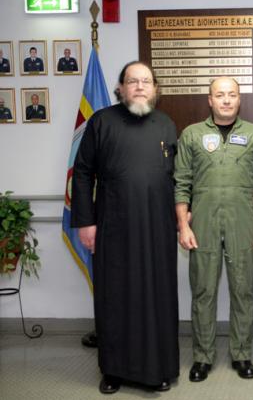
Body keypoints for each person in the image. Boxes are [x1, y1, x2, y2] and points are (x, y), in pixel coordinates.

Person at [71, 61, 180, 394]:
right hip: (113, 226)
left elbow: (177, 177)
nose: (140, 86)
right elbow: (83, 172)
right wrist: (85, 222)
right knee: (115, 297)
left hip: (158, 228)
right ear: (121, 88)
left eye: (146, 81)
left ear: (155, 89)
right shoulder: (101, 122)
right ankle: (113, 370)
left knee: (158, 296)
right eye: (133, 81)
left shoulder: (166, 124)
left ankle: (160, 369)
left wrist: (182, 218)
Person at [174, 77, 253, 383]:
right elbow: (181, 183)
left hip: (242, 223)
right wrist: (183, 225)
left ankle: (241, 354)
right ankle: (202, 357)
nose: (227, 100)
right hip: (202, 224)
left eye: (232, 94)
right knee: (203, 291)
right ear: (210, 100)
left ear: (239, 99)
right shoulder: (192, 135)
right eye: (220, 95)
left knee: (243, 291)